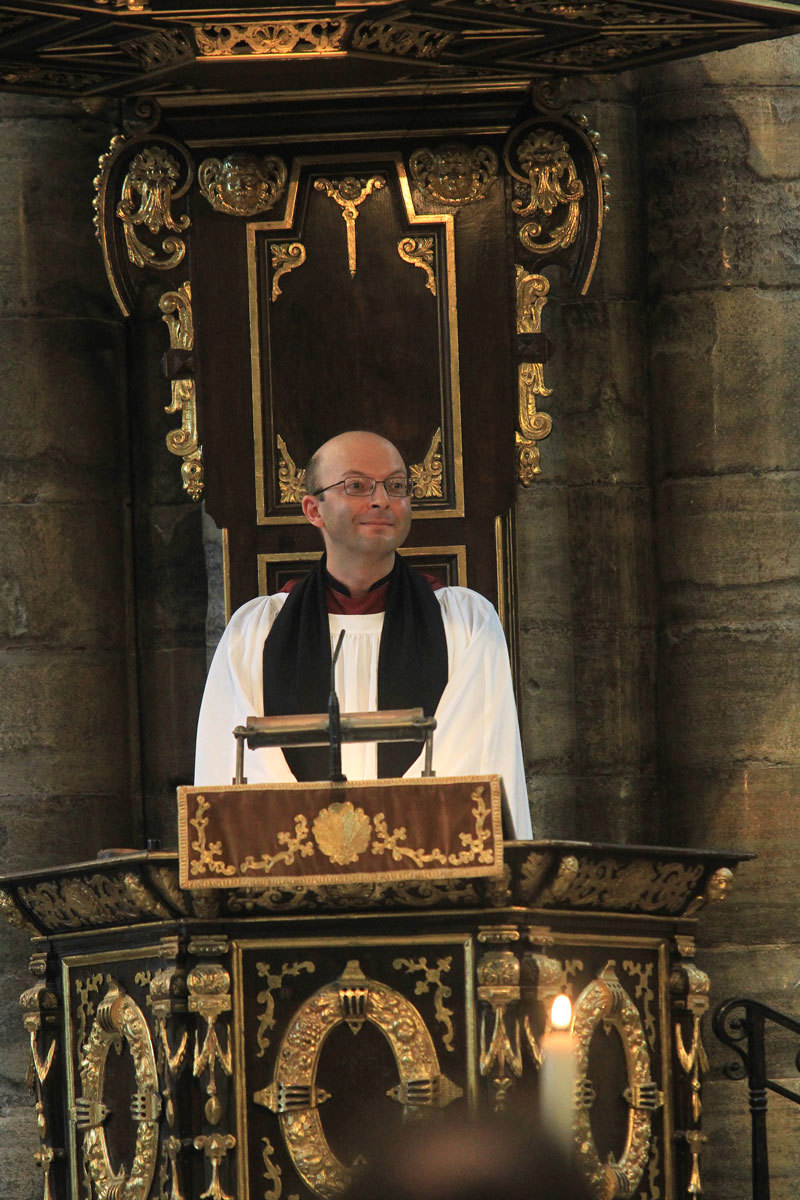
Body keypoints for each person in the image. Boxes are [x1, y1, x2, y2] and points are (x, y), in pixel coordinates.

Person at [194, 431, 532, 838]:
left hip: (426, 872)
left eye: (396, 486)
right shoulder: (255, 632)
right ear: (313, 509)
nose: (381, 500)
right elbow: (235, 769)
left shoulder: (466, 622)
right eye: (357, 486)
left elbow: (476, 756)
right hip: (296, 876)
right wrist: (326, 841)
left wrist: (375, 842)